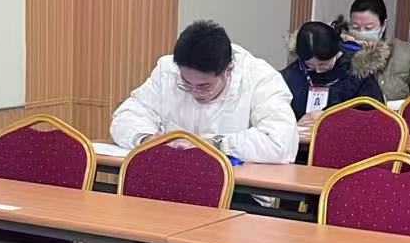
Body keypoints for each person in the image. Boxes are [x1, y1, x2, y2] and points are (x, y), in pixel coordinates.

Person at [110, 20, 297, 163]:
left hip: (239, 186)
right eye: (186, 83)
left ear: (228, 70)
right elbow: (127, 115)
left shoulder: (260, 78)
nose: (194, 91)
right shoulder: (167, 70)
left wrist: (212, 144)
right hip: (172, 176)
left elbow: (280, 142)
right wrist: (147, 139)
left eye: (204, 86)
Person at [280, 20, 381, 121]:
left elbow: (376, 118)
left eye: (323, 64)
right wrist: (294, 125)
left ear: (337, 52)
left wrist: (331, 120)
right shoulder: (290, 75)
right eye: (310, 65)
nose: (318, 70)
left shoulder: (358, 73)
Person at [346, 0, 410, 101]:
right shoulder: (340, 53)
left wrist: (404, 105)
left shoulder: (408, 53)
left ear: (383, 25)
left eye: (368, 28)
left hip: (395, 110)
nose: (362, 33)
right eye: (356, 28)